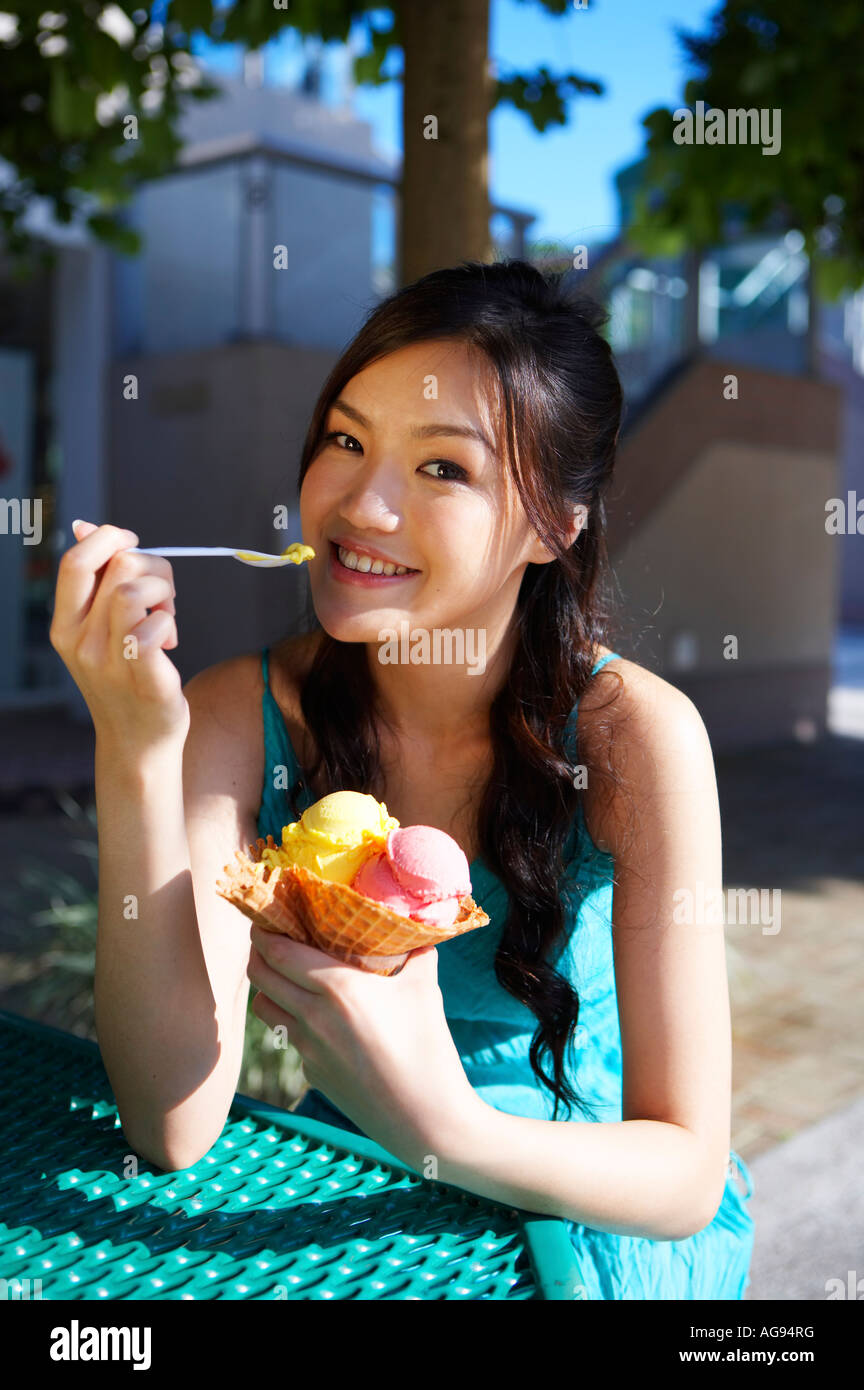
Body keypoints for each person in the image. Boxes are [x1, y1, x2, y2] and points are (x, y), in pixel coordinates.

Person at [51, 259, 754, 1299]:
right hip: (349, 1203)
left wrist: (441, 1125)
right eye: (346, 439)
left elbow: (686, 1174)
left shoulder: (635, 739)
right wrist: (135, 748)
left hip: (589, 1219)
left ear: (558, 521)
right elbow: (173, 1122)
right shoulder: (236, 714)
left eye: (443, 470)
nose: (363, 503)